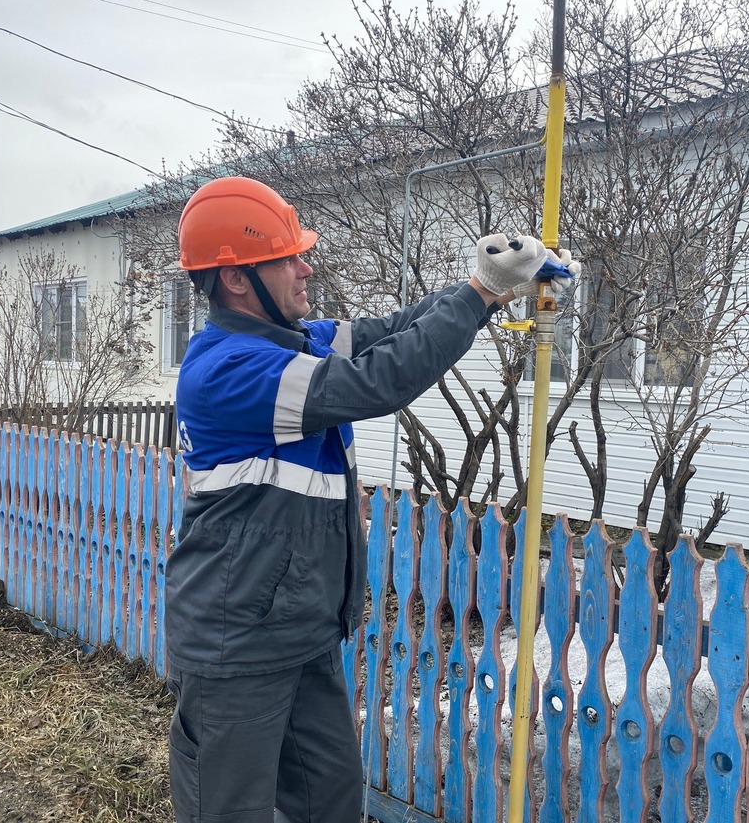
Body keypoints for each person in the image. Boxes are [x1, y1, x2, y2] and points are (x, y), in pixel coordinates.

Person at [164, 176, 579, 822]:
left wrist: (489, 284)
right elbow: (378, 380)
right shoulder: (227, 371)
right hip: (237, 644)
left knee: (329, 800)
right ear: (238, 279)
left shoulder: (289, 341)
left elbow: (391, 333)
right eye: (288, 256)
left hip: (300, 631)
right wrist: (478, 294)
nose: (306, 266)